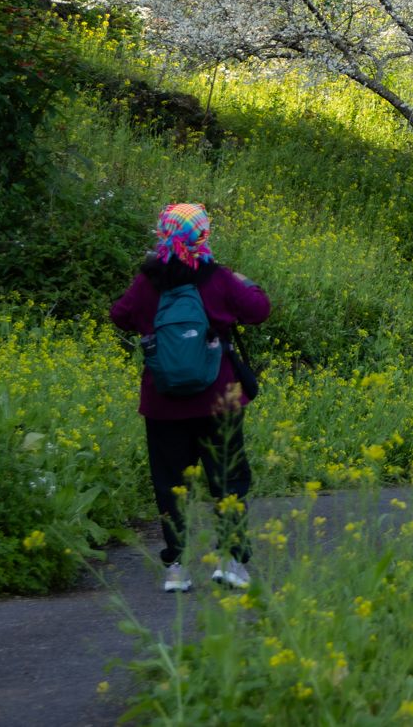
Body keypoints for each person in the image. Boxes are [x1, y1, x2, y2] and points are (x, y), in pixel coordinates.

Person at [108, 203, 270, 593]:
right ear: (202, 235)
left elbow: (119, 315)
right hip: (220, 398)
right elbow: (258, 309)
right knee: (229, 478)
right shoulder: (217, 277)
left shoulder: (147, 281)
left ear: (162, 234)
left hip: (163, 403)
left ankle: (176, 568)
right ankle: (231, 562)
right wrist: (246, 282)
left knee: (169, 483)